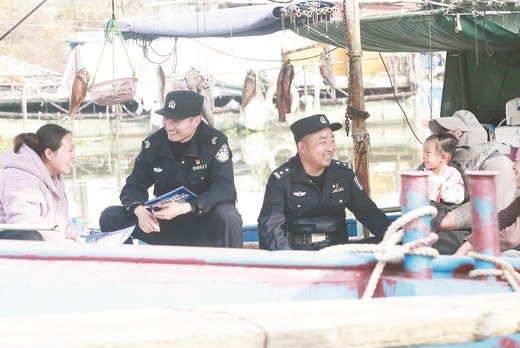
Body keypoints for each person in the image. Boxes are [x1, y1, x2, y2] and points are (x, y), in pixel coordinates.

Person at [99, 90, 243, 247]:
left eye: (176, 121)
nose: (168, 126)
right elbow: (133, 187)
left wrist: (186, 207)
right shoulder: (153, 144)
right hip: (166, 224)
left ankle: (232, 262)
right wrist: (140, 211)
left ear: (195, 121)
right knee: (110, 216)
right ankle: (131, 261)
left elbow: (224, 189)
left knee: (228, 215)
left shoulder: (215, 143)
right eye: (166, 118)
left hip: (205, 224)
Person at [257, 113, 391, 250]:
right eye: (323, 142)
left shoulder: (343, 174)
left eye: (332, 141)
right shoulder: (281, 180)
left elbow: (369, 213)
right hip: (299, 252)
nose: (330, 148)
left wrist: (394, 238)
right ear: (302, 147)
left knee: (388, 243)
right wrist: (288, 257)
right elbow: (270, 227)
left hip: (339, 250)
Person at [426, 110, 519, 254]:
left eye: (448, 135)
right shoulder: (453, 166)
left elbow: (493, 210)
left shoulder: (498, 163)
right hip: (468, 233)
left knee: (442, 247)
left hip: (504, 237)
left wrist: (446, 221)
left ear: (465, 136)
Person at [0, 123, 81, 243]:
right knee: (31, 236)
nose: (73, 156)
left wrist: (72, 234)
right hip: (11, 241)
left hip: (41, 242)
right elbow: (23, 222)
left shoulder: (55, 181)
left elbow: (61, 220)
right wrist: (64, 243)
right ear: (49, 154)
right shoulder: (19, 179)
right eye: (69, 150)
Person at [420, 133, 466, 230]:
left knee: (438, 210)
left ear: (443, 157)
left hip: (442, 208)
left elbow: (459, 196)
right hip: (423, 208)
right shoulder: (424, 173)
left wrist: (443, 192)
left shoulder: (452, 174)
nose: (424, 156)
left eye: (428, 153)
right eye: (423, 152)